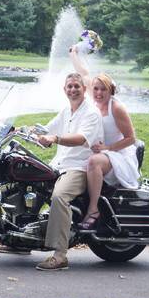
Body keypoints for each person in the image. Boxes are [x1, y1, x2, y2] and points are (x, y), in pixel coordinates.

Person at [34, 72, 103, 271]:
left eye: (76, 86)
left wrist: (55, 138)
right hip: (59, 164)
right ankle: (17, 240)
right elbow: (46, 129)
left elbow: (81, 138)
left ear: (84, 89)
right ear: (64, 90)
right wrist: (22, 130)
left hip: (79, 167)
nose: (72, 90)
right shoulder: (66, 110)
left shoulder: (91, 113)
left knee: (59, 196)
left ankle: (60, 255)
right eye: (69, 87)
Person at [69, 46, 140, 230]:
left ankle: (93, 209)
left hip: (118, 154)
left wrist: (107, 148)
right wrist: (74, 53)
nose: (99, 93)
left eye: (103, 90)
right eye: (96, 89)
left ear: (111, 90)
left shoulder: (116, 108)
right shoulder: (93, 99)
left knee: (93, 162)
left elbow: (131, 138)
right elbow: (82, 72)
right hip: (100, 150)